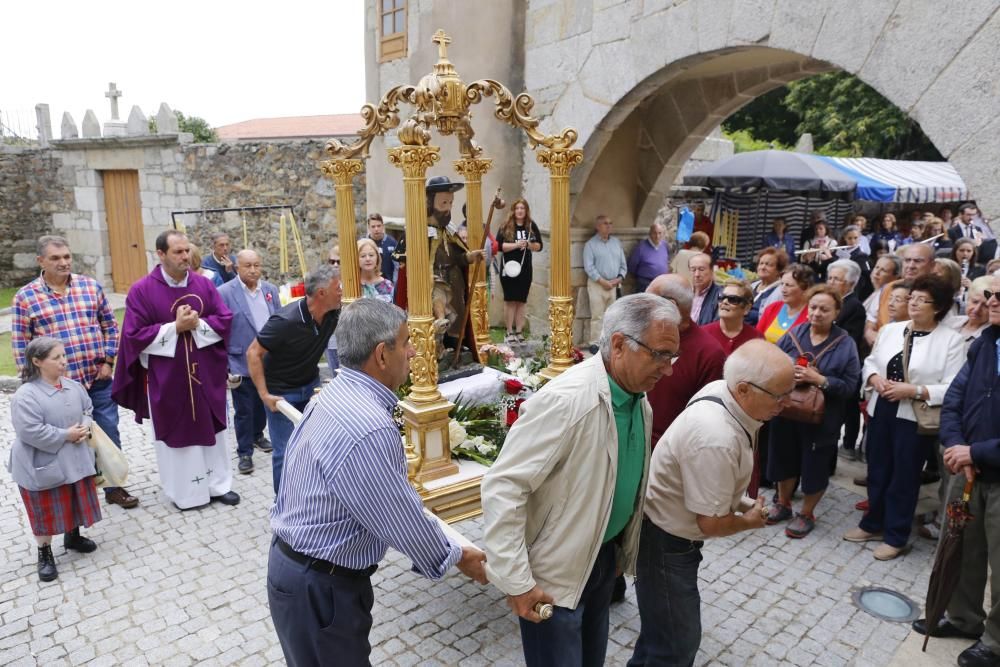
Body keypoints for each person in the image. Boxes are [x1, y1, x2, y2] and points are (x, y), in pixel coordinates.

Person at [268, 299, 488, 665]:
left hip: (299, 572)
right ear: (381, 355)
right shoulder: (368, 425)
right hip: (320, 586)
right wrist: (459, 555)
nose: (414, 350)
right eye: (405, 342)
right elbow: (400, 518)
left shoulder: (336, 392)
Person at [481, 293, 681, 667]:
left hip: (600, 559)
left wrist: (621, 549)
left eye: (672, 357)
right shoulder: (567, 401)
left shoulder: (639, 398)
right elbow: (503, 486)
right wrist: (516, 581)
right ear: (620, 344)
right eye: (660, 355)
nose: (667, 369)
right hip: (553, 577)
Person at [629, 340, 794, 665]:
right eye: (779, 395)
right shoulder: (716, 438)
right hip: (666, 543)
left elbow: (708, 483)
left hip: (666, 534)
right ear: (744, 388)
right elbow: (711, 523)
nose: (786, 403)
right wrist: (749, 521)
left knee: (661, 631)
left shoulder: (724, 391)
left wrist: (741, 502)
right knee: (677, 645)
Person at [112, 230, 238, 510]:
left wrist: (199, 325)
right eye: (177, 252)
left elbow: (224, 318)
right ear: (161, 254)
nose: (185, 257)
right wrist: (174, 328)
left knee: (214, 430)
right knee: (177, 432)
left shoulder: (203, 284)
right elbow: (133, 335)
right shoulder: (142, 290)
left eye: (186, 251)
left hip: (205, 376)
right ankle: (186, 494)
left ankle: (218, 486)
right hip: (169, 379)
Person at [12, 235, 138, 510]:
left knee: (108, 432)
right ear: (40, 261)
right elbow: (22, 347)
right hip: (59, 389)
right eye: (56, 258)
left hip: (98, 378)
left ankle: (114, 487)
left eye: (67, 256)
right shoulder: (25, 298)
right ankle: (78, 495)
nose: (64, 262)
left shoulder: (90, 286)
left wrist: (107, 362)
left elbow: (110, 326)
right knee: (69, 441)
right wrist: (38, 386)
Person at [845, 275, 965, 560]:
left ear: (938, 307)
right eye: (912, 298)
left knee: (904, 476)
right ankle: (872, 523)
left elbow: (954, 386)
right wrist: (874, 378)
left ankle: (896, 535)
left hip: (915, 416)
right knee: (877, 469)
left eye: (922, 300)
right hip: (882, 408)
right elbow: (872, 362)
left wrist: (915, 390)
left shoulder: (951, 341)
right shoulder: (891, 330)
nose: (914, 304)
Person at [913, 279, 1000, 667]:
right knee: (961, 549)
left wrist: (976, 450)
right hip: (966, 471)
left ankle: (996, 643)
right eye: (991, 295)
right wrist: (955, 446)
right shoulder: (985, 345)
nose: (992, 302)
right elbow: (955, 401)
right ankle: (963, 618)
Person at [765, 286, 861, 538]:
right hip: (787, 410)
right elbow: (774, 362)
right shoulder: (796, 333)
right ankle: (783, 503)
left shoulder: (845, 344)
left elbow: (851, 386)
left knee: (814, 465)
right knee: (783, 457)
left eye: (824, 309)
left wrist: (819, 379)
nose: (817, 313)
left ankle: (806, 512)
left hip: (823, 417)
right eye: (813, 307)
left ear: (836, 313)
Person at [9, 337, 102, 582]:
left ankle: (73, 536)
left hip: (74, 457)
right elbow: (29, 431)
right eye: (56, 358)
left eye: (64, 356)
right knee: (45, 509)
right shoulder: (25, 396)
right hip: (40, 461)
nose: (64, 362)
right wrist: (66, 435)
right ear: (37, 361)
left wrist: (84, 426)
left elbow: (88, 410)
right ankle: (44, 553)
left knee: (72, 495)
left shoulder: (73, 386)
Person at [247, 263, 341, 493]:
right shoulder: (285, 321)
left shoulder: (333, 314)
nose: (342, 292)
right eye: (338, 288)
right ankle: (283, 508)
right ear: (322, 293)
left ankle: (309, 498)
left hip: (310, 387)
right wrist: (264, 395)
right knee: (285, 452)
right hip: (281, 394)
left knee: (313, 448)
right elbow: (253, 353)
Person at [218, 249, 280, 475]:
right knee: (243, 408)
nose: (253, 270)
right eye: (247, 266)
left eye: (256, 265)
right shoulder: (224, 293)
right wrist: (224, 364)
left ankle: (258, 435)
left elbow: (279, 321)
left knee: (263, 401)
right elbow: (219, 330)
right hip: (240, 359)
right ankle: (244, 451)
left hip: (268, 359)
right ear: (237, 267)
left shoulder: (270, 290)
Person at [497, 198, 543, 342]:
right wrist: (516, 245)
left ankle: (519, 332)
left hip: (525, 269)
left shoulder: (531, 226)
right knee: (510, 300)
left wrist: (528, 245)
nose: (520, 211)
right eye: (517, 208)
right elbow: (499, 246)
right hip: (508, 268)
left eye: (522, 208)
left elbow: (539, 246)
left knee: (521, 301)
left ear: (526, 210)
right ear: (513, 210)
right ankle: (509, 331)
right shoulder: (506, 226)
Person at [583, 214, 628, 344]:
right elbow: (589, 267)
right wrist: (603, 282)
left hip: (613, 285)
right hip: (597, 285)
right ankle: (595, 343)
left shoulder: (616, 243)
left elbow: (623, 265)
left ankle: (608, 342)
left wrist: (618, 279)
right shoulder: (590, 245)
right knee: (597, 316)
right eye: (605, 223)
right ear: (598, 227)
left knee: (612, 316)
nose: (608, 226)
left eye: (610, 223)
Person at [875, 243, 936, 329]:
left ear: (932, 265)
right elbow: (873, 320)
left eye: (918, 261)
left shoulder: (938, 292)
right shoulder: (889, 288)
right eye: (907, 260)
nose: (911, 266)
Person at [756, 264, 815, 343]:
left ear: (805, 288)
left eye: (788, 285)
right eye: (782, 284)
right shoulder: (773, 308)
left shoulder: (812, 315)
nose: (783, 290)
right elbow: (756, 338)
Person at [703, 280, 763, 356]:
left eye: (733, 299)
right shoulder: (703, 334)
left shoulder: (756, 338)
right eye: (721, 297)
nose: (724, 302)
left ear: (746, 308)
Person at [863, 255, 902, 349]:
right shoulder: (873, 292)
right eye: (877, 267)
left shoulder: (892, 296)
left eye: (883, 270)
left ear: (895, 276)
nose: (876, 272)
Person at [746, 247, 787, 326]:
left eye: (769, 265)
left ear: (778, 270)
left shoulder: (781, 292)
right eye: (761, 263)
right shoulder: (752, 286)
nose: (763, 267)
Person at [628, 222, 669, 294]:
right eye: (654, 233)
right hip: (645, 283)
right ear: (650, 234)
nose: (657, 236)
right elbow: (632, 265)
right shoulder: (641, 247)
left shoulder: (664, 245)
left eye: (660, 233)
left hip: (661, 283)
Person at [689, 252, 722, 326]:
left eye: (701, 269)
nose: (697, 274)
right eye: (693, 269)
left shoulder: (720, 296)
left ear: (712, 271)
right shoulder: (683, 293)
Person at [357, 237, 394, 302]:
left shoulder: (388, 285)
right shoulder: (350, 285)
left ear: (377, 257)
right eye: (363, 256)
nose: (368, 259)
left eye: (371, 255)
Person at [366, 213, 398, 285]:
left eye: (378, 226)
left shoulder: (392, 243)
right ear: (369, 227)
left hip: (388, 285)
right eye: (373, 226)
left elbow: (397, 267)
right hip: (368, 284)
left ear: (383, 226)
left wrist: (395, 284)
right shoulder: (363, 243)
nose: (376, 229)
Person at [325, 244, 341, 373]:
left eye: (339, 261)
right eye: (332, 261)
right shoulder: (324, 284)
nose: (335, 265)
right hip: (332, 339)